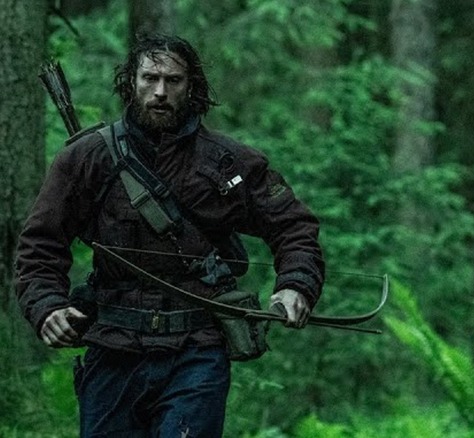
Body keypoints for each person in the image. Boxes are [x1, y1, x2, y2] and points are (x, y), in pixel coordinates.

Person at [15, 34, 325, 436]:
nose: (160, 91)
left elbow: (293, 226)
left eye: (173, 80)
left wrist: (296, 285)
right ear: (131, 82)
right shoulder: (87, 158)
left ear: (191, 86)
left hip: (197, 352)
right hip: (114, 348)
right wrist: (48, 307)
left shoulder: (228, 161)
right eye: (149, 78)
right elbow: (40, 244)